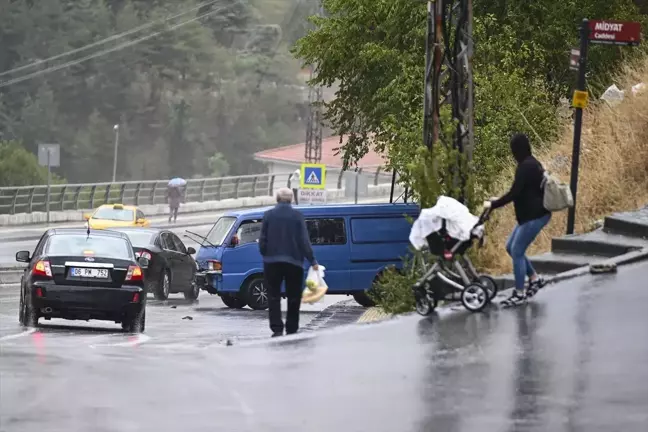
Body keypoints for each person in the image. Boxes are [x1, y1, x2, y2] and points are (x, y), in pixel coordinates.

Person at [484, 133, 550, 306]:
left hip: (534, 216)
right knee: (510, 247)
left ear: (516, 150)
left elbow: (515, 193)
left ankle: (519, 293)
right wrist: (497, 202)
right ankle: (534, 279)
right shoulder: (532, 163)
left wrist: (494, 204)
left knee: (517, 251)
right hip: (532, 215)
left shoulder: (525, 167)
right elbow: (520, 191)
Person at [259, 187, 317, 337]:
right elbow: (304, 241)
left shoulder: (268, 215)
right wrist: (312, 260)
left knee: (273, 296)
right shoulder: (297, 216)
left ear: (277, 199)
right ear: (291, 199)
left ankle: (277, 327)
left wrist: (266, 253)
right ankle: (292, 327)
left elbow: (262, 240)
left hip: (272, 262)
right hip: (294, 262)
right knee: (294, 296)